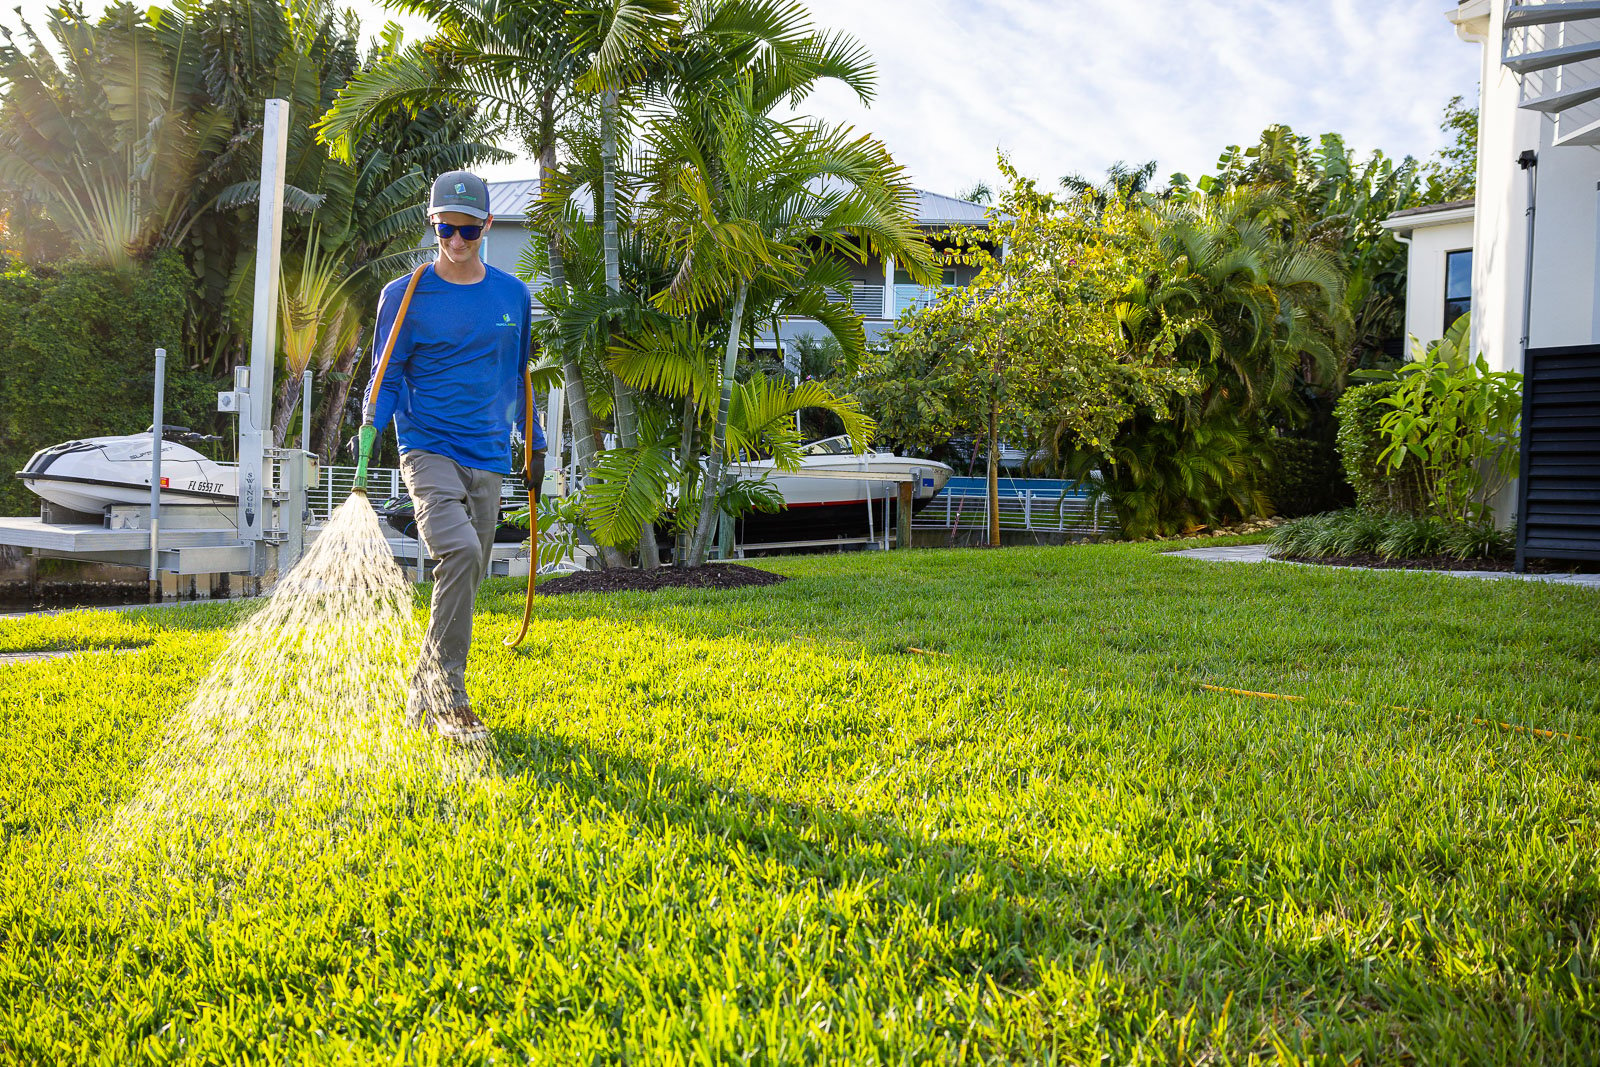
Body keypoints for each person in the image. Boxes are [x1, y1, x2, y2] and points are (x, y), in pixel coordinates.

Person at [364, 170, 546, 742]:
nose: (458, 241)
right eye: (447, 229)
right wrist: (370, 428)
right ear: (433, 226)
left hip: (489, 453)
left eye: (469, 229)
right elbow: (386, 374)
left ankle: (425, 684)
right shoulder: (405, 294)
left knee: (464, 573)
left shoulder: (513, 296)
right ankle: (449, 695)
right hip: (428, 449)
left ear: (488, 226)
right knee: (461, 551)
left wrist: (534, 444)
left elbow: (520, 379)